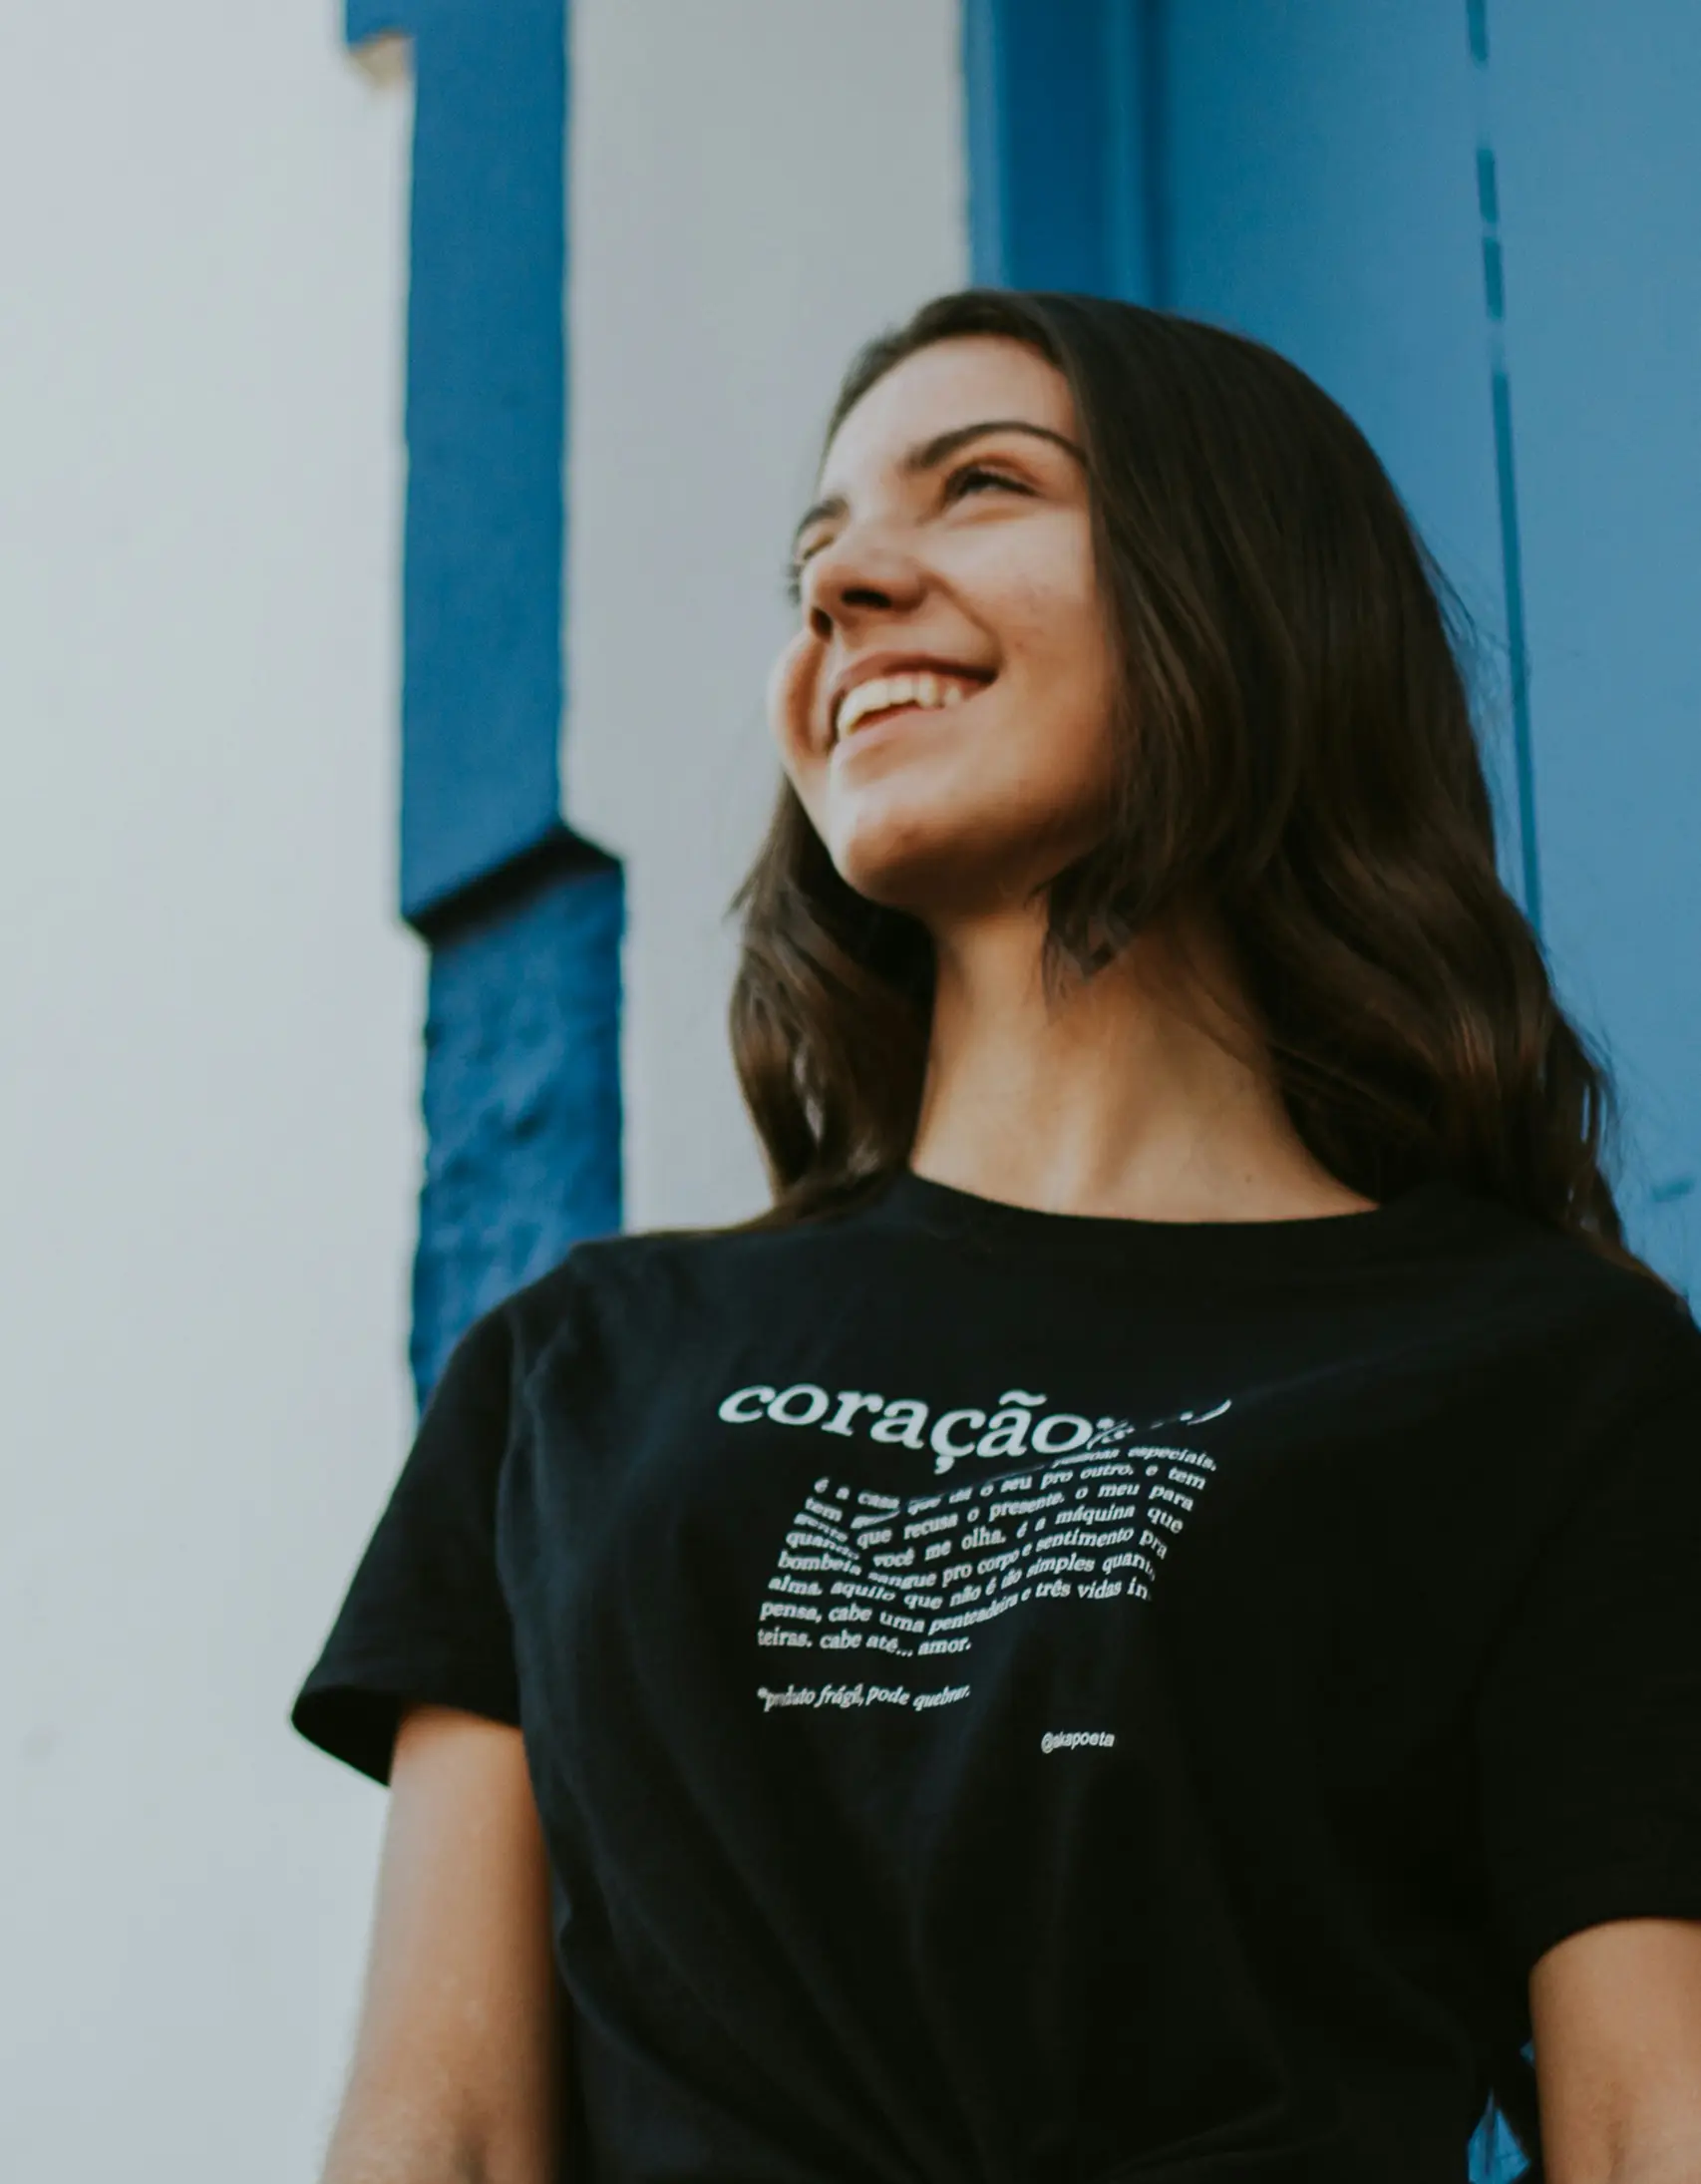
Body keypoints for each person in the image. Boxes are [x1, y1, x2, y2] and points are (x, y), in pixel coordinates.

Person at [293, 291, 1701, 2184]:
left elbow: (1646, 2122)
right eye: (813, 555)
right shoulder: (573, 1373)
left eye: (980, 487)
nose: (842, 586)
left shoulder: (1552, 1378)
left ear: (1244, 591)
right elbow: (441, 2139)